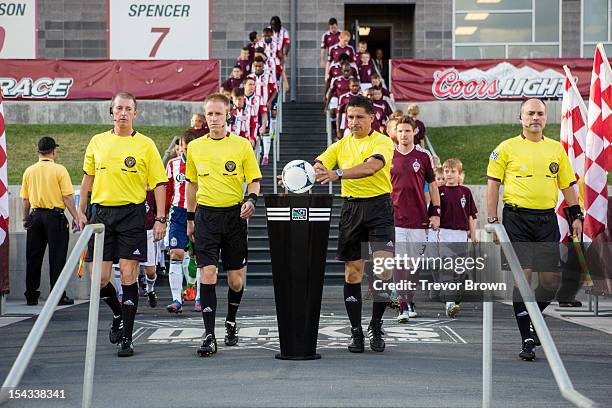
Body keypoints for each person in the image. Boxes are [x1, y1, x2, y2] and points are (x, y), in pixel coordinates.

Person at [487, 98, 583, 362]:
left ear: (546, 118)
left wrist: (576, 214)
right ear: (521, 117)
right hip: (516, 220)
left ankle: (533, 318)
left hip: (546, 221)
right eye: (530, 113)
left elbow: (568, 185)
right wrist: (493, 222)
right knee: (523, 279)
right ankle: (527, 338)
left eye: (540, 113)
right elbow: (493, 185)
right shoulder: (505, 148)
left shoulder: (556, 149)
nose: (535, 118)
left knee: (551, 282)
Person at [78, 92, 167, 357]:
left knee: (128, 275)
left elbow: (159, 184)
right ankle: (118, 313)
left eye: (129, 108)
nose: (123, 113)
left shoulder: (145, 145)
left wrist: (161, 218)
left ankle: (127, 337)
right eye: (119, 108)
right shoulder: (98, 142)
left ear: (135, 113)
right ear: (111, 112)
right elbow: (87, 181)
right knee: (100, 279)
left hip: (132, 215)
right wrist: (81, 212)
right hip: (102, 215)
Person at [313, 95, 395, 353]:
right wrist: (301, 175)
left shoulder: (382, 141)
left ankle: (376, 324)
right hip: (351, 209)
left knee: (383, 271)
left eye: (360, 117)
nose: (354, 122)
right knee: (352, 273)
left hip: (379, 207)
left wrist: (337, 173)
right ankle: (356, 330)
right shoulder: (340, 145)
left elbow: (371, 167)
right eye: (350, 117)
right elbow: (319, 163)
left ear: (372, 118)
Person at [185, 93, 262, 357]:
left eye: (218, 114)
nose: (214, 118)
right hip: (206, 217)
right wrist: (190, 218)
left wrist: (251, 199)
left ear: (227, 115)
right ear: (204, 117)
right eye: (209, 114)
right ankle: (209, 335)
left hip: (234, 218)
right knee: (207, 273)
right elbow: (191, 185)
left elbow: (254, 179)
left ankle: (231, 320)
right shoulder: (195, 147)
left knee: (236, 280)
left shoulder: (242, 145)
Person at [391, 116, 440, 323]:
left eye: (407, 131)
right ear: (395, 133)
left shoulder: (424, 155)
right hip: (395, 218)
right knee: (400, 263)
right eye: (400, 131)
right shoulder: (388, 155)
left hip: (419, 217)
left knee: (414, 265)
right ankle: (402, 304)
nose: (403, 135)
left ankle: (410, 299)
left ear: (414, 133)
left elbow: (433, 185)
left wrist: (436, 212)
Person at [20, 137, 79, 306]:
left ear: (39, 152)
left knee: (33, 257)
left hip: (35, 216)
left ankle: (31, 295)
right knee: (57, 258)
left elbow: (25, 200)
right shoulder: (60, 170)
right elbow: (67, 197)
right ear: (54, 151)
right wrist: (75, 216)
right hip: (55, 217)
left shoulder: (29, 171)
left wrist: (26, 218)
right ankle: (57, 296)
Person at [437, 158, 478, 319]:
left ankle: (455, 295)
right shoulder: (439, 191)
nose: (449, 174)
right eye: (446, 171)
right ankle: (449, 302)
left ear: (460, 174)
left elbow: (471, 215)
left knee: (458, 269)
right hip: (445, 233)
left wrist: (473, 234)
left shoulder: (465, 192)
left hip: (461, 234)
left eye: (453, 171)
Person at [165, 130, 199, 313]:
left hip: (201, 212)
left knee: (200, 256)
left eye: (190, 149)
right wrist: (161, 217)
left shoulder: (205, 163)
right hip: (178, 214)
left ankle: (199, 296)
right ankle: (176, 299)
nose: (187, 152)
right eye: (184, 149)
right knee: (176, 253)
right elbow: (168, 191)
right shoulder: (173, 164)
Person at [248, 56, 277, 165]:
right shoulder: (250, 77)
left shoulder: (268, 76)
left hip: (264, 107)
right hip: (253, 108)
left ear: (263, 65)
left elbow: (275, 90)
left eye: (260, 66)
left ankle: (265, 156)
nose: (258, 68)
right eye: (256, 66)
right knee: (254, 132)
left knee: (265, 129)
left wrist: (270, 101)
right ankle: (256, 155)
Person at [243, 76, 267, 149]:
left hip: (254, 126)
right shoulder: (239, 98)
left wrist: (263, 126)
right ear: (244, 85)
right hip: (242, 126)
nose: (252, 86)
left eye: (254, 84)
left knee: (252, 145)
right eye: (250, 84)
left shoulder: (259, 98)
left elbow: (264, 114)